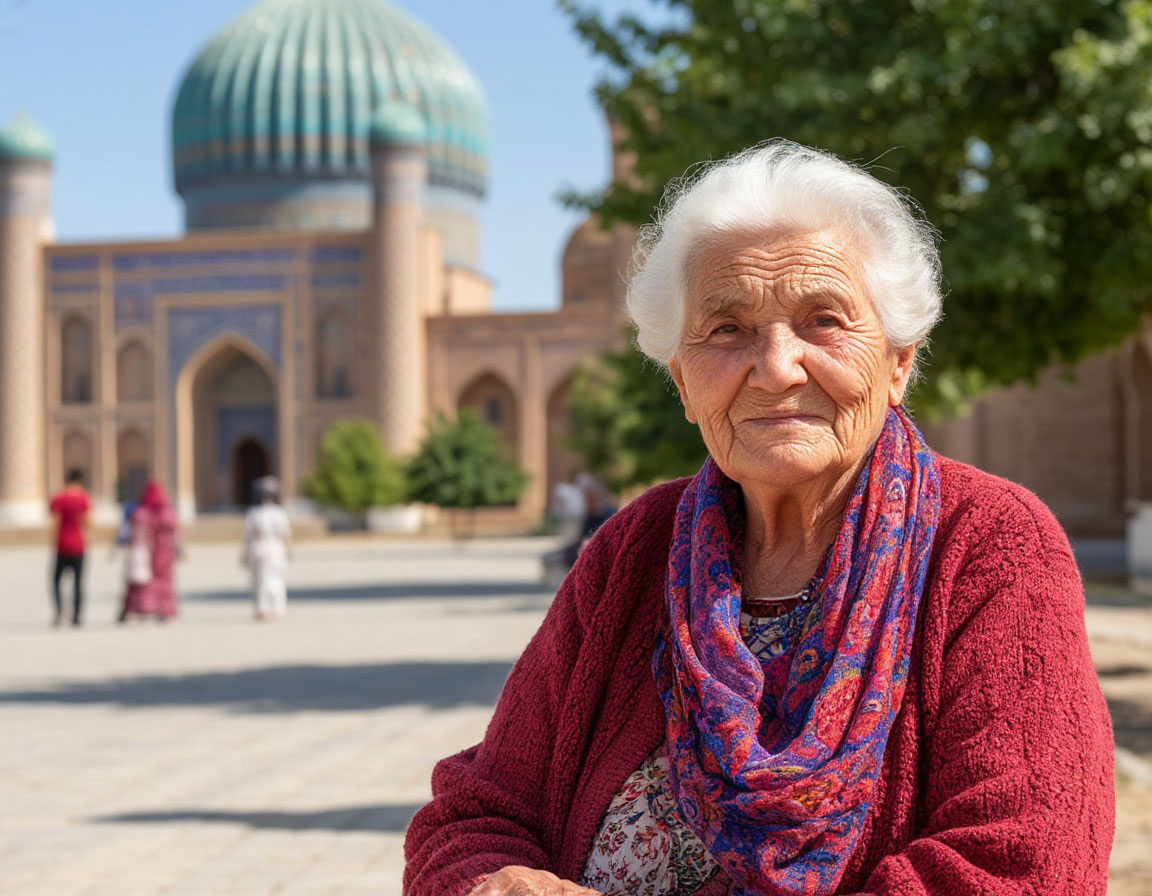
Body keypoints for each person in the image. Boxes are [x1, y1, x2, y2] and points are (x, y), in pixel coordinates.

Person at [404, 142, 1115, 896]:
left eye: (824, 320)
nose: (776, 367)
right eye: (726, 330)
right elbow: (475, 813)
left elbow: (1025, 867)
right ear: (681, 382)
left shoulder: (987, 547)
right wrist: (491, 883)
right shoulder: (636, 552)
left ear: (900, 361)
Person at [124, 480, 182, 622]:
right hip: (165, 551)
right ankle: (165, 610)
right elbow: (176, 533)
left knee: (144, 581)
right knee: (164, 581)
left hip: (146, 551)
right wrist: (180, 550)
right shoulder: (168, 512)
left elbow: (134, 533)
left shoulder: (141, 512)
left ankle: (144, 609)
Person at [241, 475, 292, 620]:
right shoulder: (280, 513)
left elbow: (247, 536)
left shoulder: (253, 513)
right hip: (276, 548)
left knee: (260, 580)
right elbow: (286, 535)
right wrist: (289, 551)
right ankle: (277, 608)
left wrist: (244, 554)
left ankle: (262, 608)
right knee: (277, 579)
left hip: (258, 548)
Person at [48, 469, 90, 627]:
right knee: (78, 582)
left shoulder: (59, 498)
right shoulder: (83, 499)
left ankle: (59, 611)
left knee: (56, 581)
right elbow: (88, 521)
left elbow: (54, 523)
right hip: (79, 545)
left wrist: (54, 541)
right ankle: (77, 617)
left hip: (62, 545)